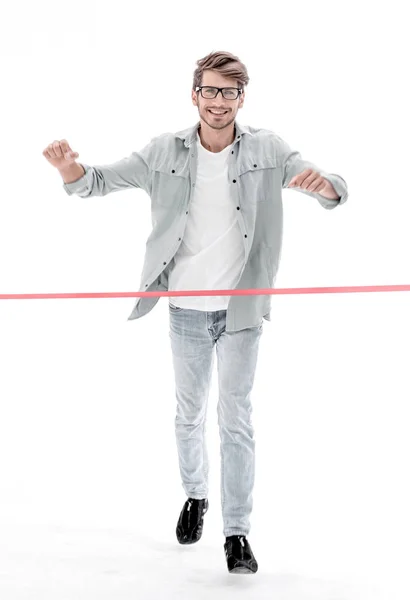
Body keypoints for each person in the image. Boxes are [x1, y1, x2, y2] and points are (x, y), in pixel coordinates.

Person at [43, 50, 348, 575]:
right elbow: (96, 181)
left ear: (242, 97)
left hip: (242, 311)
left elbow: (327, 184)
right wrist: (70, 168)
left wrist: (326, 188)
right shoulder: (164, 151)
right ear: (195, 94)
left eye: (229, 92)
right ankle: (195, 494)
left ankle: (237, 533)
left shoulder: (269, 149)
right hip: (183, 308)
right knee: (189, 415)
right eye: (209, 90)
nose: (218, 101)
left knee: (235, 419)